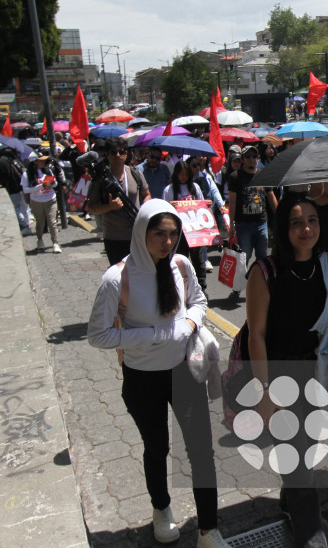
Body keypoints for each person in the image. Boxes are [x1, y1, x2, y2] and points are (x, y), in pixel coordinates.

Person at [87, 199, 229, 548]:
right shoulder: (117, 278)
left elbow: (198, 301)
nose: (167, 242)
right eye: (158, 234)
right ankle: (161, 509)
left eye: (173, 233)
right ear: (141, 234)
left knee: (200, 451)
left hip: (183, 372)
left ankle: (209, 529)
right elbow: (98, 334)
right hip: (142, 377)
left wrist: (190, 324)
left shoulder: (180, 265)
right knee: (156, 446)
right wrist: (151, 336)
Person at [245, 192, 328, 547]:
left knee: (307, 445)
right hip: (278, 376)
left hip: (318, 374)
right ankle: (311, 534)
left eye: (313, 221)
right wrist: (264, 393)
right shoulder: (265, 271)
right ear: (283, 228)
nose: (306, 229)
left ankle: (290, 500)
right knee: (297, 454)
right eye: (297, 222)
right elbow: (256, 335)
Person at [87, 137, 150, 265]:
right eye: (113, 152)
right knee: (120, 276)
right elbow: (91, 208)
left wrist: (144, 209)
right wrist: (110, 207)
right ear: (107, 155)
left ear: (126, 154)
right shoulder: (100, 179)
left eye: (121, 152)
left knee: (139, 272)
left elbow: (146, 194)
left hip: (136, 234)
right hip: (114, 237)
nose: (117, 155)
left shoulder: (135, 173)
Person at [227, 144, 277, 269]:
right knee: (245, 256)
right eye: (248, 156)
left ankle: (262, 283)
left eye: (254, 156)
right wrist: (231, 224)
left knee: (262, 256)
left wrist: (279, 215)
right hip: (243, 224)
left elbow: (271, 196)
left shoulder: (263, 174)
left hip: (261, 222)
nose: (251, 159)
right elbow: (232, 202)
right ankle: (239, 285)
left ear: (258, 158)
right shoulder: (235, 177)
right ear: (243, 159)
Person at [163, 160, 208, 295]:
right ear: (176, 174)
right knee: (181, 260)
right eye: (181, 174)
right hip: (179, 232)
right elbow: (165, 210)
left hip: (195, 230)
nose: (183, 177)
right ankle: (181, 287)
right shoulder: (169, 190)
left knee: (198, 261)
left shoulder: (195, 187)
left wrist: (207, 204)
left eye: (186, 174)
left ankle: (201, 288)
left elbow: (201, 204)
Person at [22, 150, 61, 253]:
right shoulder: (27, 174)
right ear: (35, 161)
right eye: (41, 160)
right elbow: (26, 190)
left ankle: (55, 243)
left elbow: (55, 184)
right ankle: (40, 240)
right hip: (36, 201)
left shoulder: (48, 171)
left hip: (50, 199)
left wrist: (53, 183)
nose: (43, 162)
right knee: (40, 222)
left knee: (52, 222)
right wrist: (41, 186)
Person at [0, 144, 32, 234]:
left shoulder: (2, 161)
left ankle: (25, 226)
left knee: (16, 209)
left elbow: (4, 175)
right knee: (24, 208)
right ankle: (27, 225)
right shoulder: (14, 158)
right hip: (21, 185)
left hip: (13, 187)